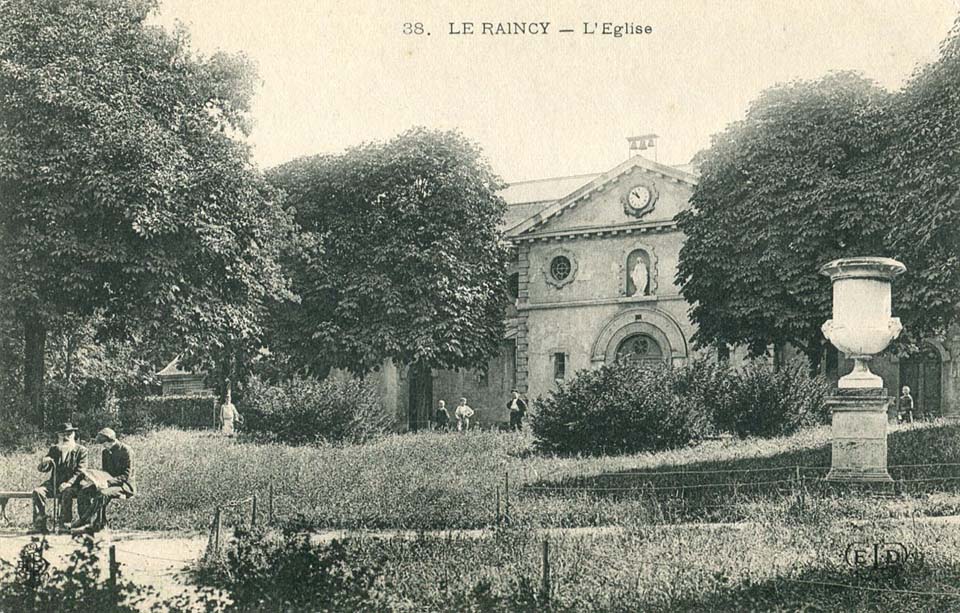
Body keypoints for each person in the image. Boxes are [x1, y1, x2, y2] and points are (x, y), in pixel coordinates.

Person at [71, 427, 135, 534]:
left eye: (105, 443)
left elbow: (126, 475)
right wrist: (97, 480)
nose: (104, 446)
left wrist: (108, 483)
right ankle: (90, 524)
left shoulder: (126, 451)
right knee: (84, 491)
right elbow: (105, 472)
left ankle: (85, 521)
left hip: (124, 486)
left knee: (102, 494)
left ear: (112, 440)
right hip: (108, 483)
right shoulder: (105, 452)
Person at [32, 423, 88, 533]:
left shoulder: (81, 450)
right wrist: (44, 462)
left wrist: (69, 483)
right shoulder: (55, 449)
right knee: (37, 492)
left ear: (73, 435)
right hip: (54, 483)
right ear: (58, 436)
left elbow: (81, 471)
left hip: (74, 485)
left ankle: (64, 524)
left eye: (69, 434)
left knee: (67, 492)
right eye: (62, 434)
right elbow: (44, 469)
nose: (66, 437)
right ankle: (40, 525)